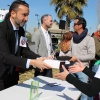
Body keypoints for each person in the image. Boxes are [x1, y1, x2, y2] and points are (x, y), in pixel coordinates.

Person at [0, 0, 52, 91]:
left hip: (13, 76)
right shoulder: (2, 29)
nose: (27, 19)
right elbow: (5, 57)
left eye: (27, 15)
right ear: (13, 13)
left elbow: (25, 50)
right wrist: (32, 62)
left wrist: (40, 58)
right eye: (24, 15)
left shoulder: (21, 31)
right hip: (1, 76)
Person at [65, 17, 95, 100]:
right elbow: (70, 52)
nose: (72, 26)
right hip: (71, 69)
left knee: (83, 95)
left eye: (74, 24)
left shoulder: (89, 39)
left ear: (80, 25)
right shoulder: (72, 38)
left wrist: (76, 58)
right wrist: (64, 55)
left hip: (82, 71)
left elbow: (92, 55)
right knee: (70, 92)